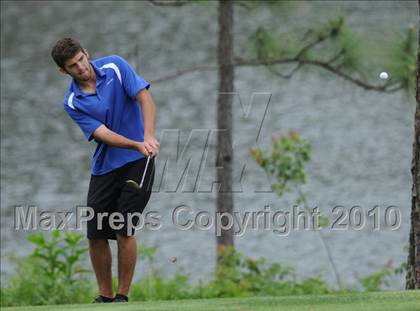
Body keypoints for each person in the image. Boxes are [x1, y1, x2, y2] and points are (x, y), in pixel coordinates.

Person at [51, 38, 159, 303]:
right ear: (64, 71)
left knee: (123, 227)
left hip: (139, 161)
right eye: (72, 66)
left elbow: (144, 98)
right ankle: (105, 297)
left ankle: (122, 296)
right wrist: (135, 143)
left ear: (86, 53)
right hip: (106, 167)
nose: (81, 68)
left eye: (81, 60)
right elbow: (103, 134)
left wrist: (148, 135)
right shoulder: (73, 102)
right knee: (96, 233)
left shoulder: (115, 66)